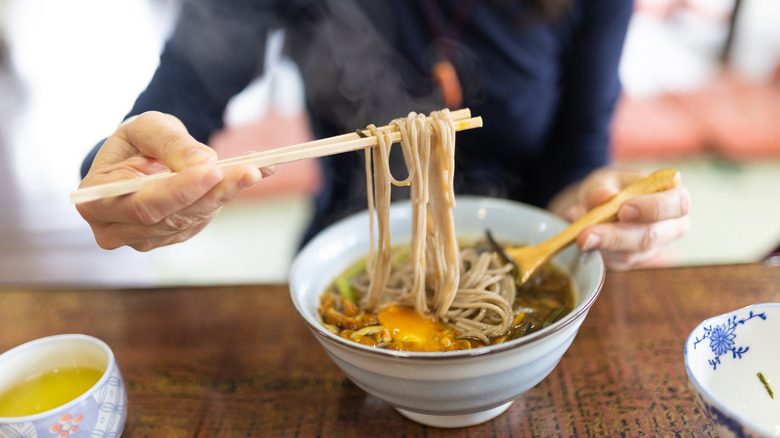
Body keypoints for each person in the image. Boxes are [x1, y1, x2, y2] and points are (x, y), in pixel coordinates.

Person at [76, 0, 690, 270]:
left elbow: (578, 153)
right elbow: (181, 92)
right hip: (347, 245)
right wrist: (127, 173)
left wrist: (590, 205)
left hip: (523, 259)